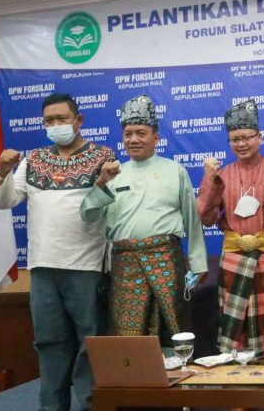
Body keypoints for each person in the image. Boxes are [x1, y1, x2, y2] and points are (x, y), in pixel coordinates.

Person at [0, 93, 115, 411]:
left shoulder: (103, 157)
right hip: (43, 267)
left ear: (79, 120)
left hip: (87, 266)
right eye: (49, 120)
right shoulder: (33, 160)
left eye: (62, 119)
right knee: (49, 344)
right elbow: (4, 201)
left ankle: (92, 406)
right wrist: (3, 171)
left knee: (91, 343)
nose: (56, 125)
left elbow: (111, 208)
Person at [80, 94, 207, 344]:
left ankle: (178, 367)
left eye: (141, 133)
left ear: (155, 138)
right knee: (127, 334)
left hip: (165, 259)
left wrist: (198, 263)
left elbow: (192, 221)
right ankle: (132, 371)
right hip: (125, 263)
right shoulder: (112, 174)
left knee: (175, 328)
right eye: (128, 134)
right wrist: (102, 182)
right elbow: (88, 216)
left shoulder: (175, 170)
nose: (134, 139)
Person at [196, 100, 264, 357]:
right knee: (234, 328)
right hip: (233, 261)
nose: (241, 144)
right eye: (235, 139)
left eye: (247, 137)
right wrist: (209, 180)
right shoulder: (223, 175)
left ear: (260, 137)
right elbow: (205, 218)